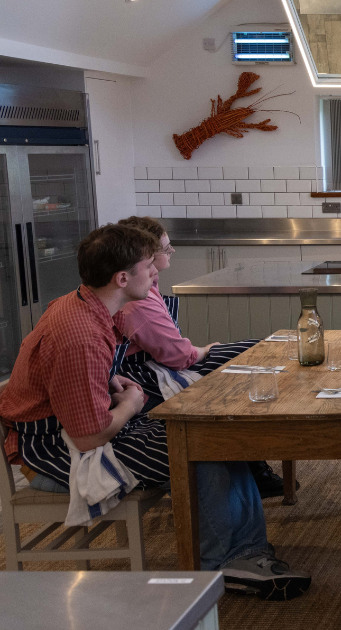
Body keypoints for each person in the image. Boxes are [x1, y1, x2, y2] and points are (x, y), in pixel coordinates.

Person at [0, 224, 309, 598]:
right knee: (197, 445)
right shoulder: (80, 336)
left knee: (213, 434)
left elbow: (74, 382)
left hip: (76, 430)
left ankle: (244, 550)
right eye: (149, 265)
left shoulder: (84, 305)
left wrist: (110, 382)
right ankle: (226, 561)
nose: (156, 271)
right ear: (122, 278)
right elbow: (88, 437)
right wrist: (131, 404)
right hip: (54, 451)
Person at [111, 217, 288, 499]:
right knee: (247, 361)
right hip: (149, 378)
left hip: (161, 367)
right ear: (146, 255)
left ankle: (255, 464)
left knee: (255, 353)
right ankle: (255, 466)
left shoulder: (144, 289)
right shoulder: (137, 302)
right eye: (165, 250)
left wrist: (204, 349)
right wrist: (206, 349)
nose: (171, 253)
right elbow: (179, 356)